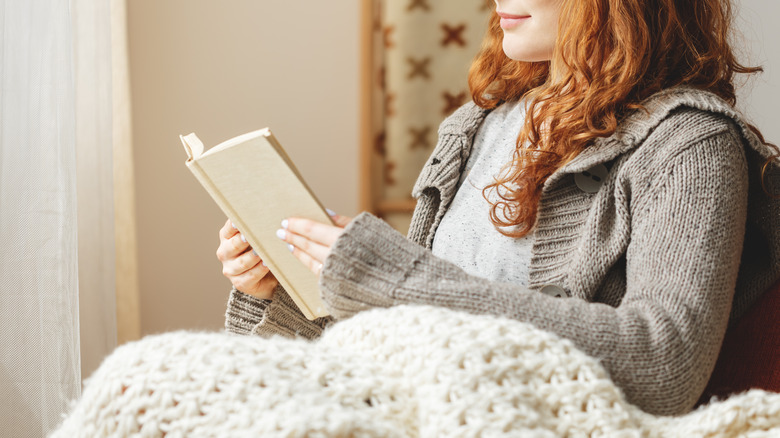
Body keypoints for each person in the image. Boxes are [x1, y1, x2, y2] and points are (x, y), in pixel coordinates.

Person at [216, 0, 780, 416]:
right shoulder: (473, 129)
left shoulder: (690, 145)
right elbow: (412, 346)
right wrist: (280, 290)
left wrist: (400, 279)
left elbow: (665, 364)